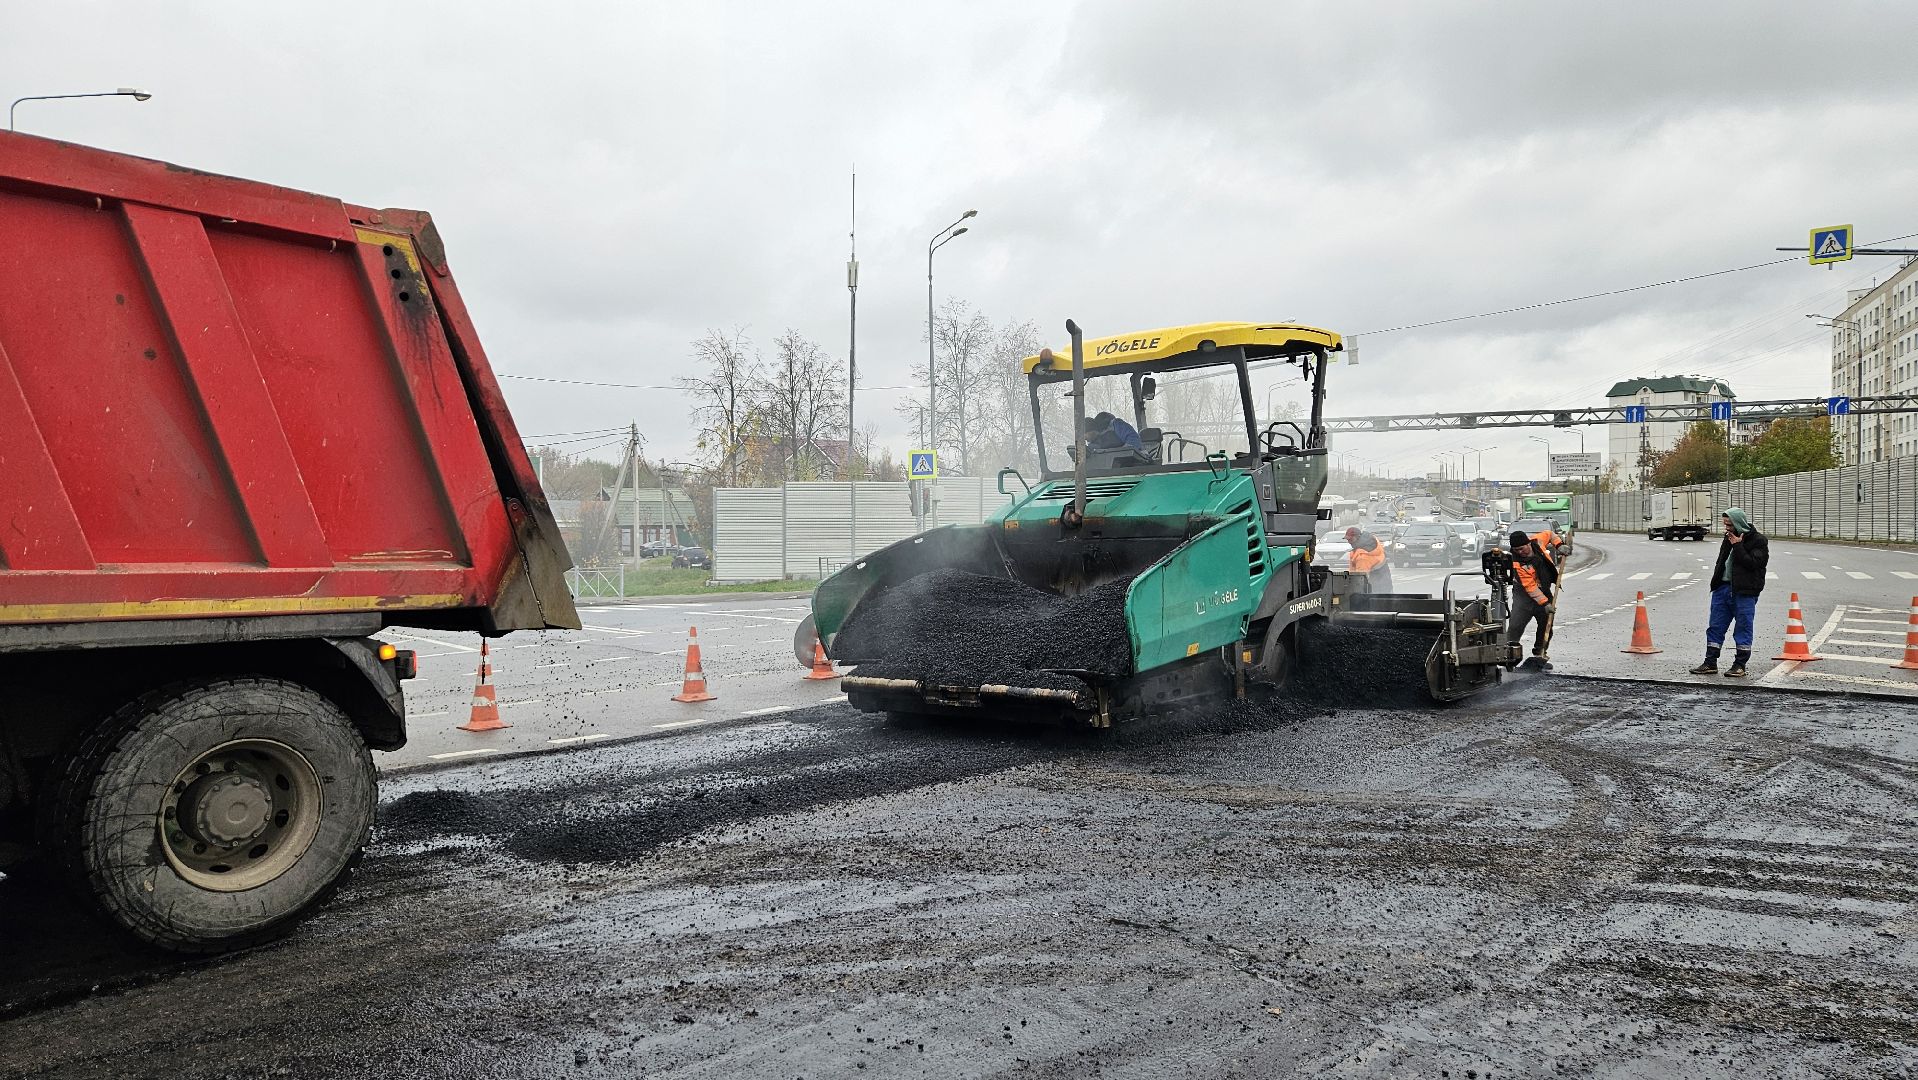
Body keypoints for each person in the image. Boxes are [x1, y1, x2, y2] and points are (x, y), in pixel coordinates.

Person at [1690, 507, 1770, 677]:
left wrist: (1738, 545)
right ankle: (1710, 662)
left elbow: (1753, 564)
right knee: (1715, 626)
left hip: (1744, 592)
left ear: (1739, 523)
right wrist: (1716, 583)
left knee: (1743, 628)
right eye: (1725, 524)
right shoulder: (1728, 538)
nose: (1726, 528)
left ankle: (1739, 665)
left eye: (1729, 524)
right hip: (1722, 589)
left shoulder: (1758, 541)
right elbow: (1722, 562)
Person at [1506, 529, 1557, 669]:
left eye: (1522, 548)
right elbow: (1530, 587)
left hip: (1544, 591)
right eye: (1516, 550)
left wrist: (1559, 545)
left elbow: (1550, 534)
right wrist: (1545, 603)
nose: (1520, 552)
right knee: (1515, 626)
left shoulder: (1537, 542)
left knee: (1546, 624)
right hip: (1523, 597)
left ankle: (1539, 656)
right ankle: (1510, 657)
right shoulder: (1516, 563)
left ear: (1528, 543)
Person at [1344, 526, 1392, 592]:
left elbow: (1360, 579)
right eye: (1348, 539)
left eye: (1351, 539)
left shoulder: (1362, 557)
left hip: (1376, 588)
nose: (1349, 542)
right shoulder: (1372, 542)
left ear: (1358, 537)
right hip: (1385, 582)